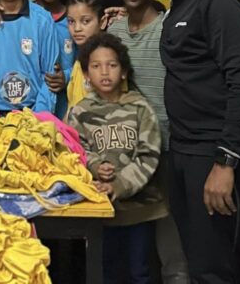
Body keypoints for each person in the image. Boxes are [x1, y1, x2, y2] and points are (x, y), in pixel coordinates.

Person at [143, 0, 240, 284]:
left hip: (215, 153)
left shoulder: (219, 0)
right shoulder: (182, 2)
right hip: (185, 149)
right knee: (198, 263)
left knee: (215, 269)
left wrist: (225, 162)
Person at [108, 0, 189, 284]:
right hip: (129, 149)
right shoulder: (114, 30)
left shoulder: (168, 28)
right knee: (134, 239)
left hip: (168, 143)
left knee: (171, 236)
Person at [67, 33, 166, 284]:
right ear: (86, 74)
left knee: (139, 272)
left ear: (123, 72)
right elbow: (74, 152)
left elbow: (149, 155)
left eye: (112, 65)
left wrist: (119, 184)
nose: (104, 72)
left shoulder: (140, 108)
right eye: (96, 66)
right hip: (100, 212)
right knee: (106, 272)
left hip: (140, 210)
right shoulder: (80, 111)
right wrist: (95, 166)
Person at [28, 0, 73, 118]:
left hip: (66, 109)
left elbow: (86, 60)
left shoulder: (74, 19)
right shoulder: (25, 18)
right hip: (31, 108)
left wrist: (66, 76)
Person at [64, 0, 107, 110]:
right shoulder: (80, 60)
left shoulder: (107, 62)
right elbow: (72, 107)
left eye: (86, 21)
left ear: (102, 22)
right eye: (71, 21)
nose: (77, 28)